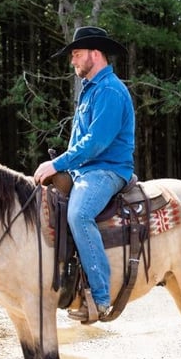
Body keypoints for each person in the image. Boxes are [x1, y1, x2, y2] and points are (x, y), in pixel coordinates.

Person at [33, 26, 135, 321]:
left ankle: (101, 299)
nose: (72, 61)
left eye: (76, 54)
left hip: (107, 170)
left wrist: (58, 164)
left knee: (79, 214)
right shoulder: (91, 89)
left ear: (94, 53)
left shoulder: (110, 90)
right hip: (86, 170)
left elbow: (97, 142)